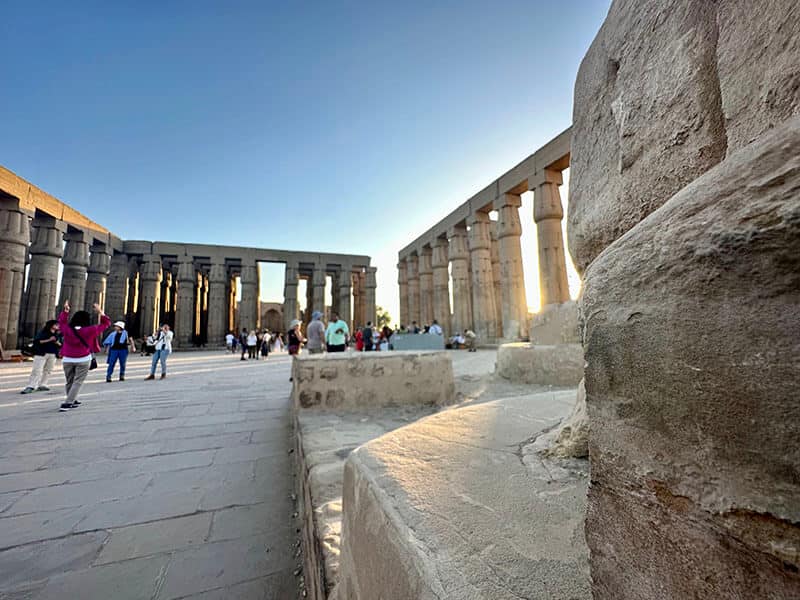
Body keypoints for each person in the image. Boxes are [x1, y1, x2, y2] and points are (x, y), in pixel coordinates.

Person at [58, 300, 110, 411]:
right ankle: (68, 403)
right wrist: (100, 312)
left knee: (69, 381)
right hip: (83, 358)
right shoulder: (90, 330)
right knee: (77, 382)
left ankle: (72, 399)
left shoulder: (67, 329)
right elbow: (106, 324)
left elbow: (61, 323)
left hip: (67, 358)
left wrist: (65, 312)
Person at [20, 320, 61, 394]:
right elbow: (37, 341)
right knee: (37, 370)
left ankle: (43, 384)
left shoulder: (57, 334)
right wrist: (49, 340)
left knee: (48, 370)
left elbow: (60, 344)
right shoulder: (43, 332)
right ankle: (31, 386)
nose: (58, 326)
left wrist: (57, 342)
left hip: (52, 354)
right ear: (51, 325)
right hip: (41, 353)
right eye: (56, 324)